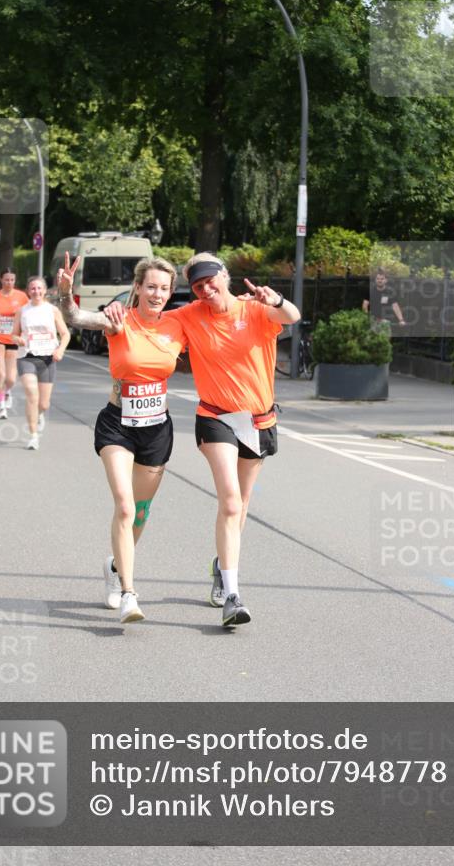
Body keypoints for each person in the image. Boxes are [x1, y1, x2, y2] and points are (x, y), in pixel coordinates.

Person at [105, 251, 301, 628]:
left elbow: (291, 317)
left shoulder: (255, 309)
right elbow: (148, 320)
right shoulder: (189, 316)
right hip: (215, 418)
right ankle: (232, 594)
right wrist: (116, 316)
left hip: (259, 419)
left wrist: (274, 299)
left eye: (211, 280)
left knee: (240, 507)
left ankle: (219, 566)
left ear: (225, 276)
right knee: (229, 501)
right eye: (197, 286)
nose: (206, 289)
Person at [58, 252, 184, 624]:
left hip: (156, 428)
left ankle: (115, 566)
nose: (157, 294)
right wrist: (65, 293)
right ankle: (129, 592)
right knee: (125, 507)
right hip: (117, 424)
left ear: (170, 291)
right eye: (150, 287)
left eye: (163, 288)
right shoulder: (118, 321)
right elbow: (74, 318)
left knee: (140, 514)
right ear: (138, 287)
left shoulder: (178, 325)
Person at [11, 276, 70, 450]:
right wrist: (17, 340)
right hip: (27, 356)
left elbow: (65, 334)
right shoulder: (22, 311)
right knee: (31, 394)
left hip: (47, 358)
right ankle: (33, 436)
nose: (36, 292)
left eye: (39, 288)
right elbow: (14, 334)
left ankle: (40, 414)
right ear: (28, 291)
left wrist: (60, 350)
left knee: (43, 403)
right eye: (32, 289)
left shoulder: (52, 310)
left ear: (45, 291)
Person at [0, 267, 28, 418]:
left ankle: (7, 391)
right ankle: (1, 406)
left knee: (11, 378)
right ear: (1, 280)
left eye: (12, 280)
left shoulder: (22, 297)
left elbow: (26, 316)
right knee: (0, 373)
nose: (9, 282)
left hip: (13, 338)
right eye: (6, 279)